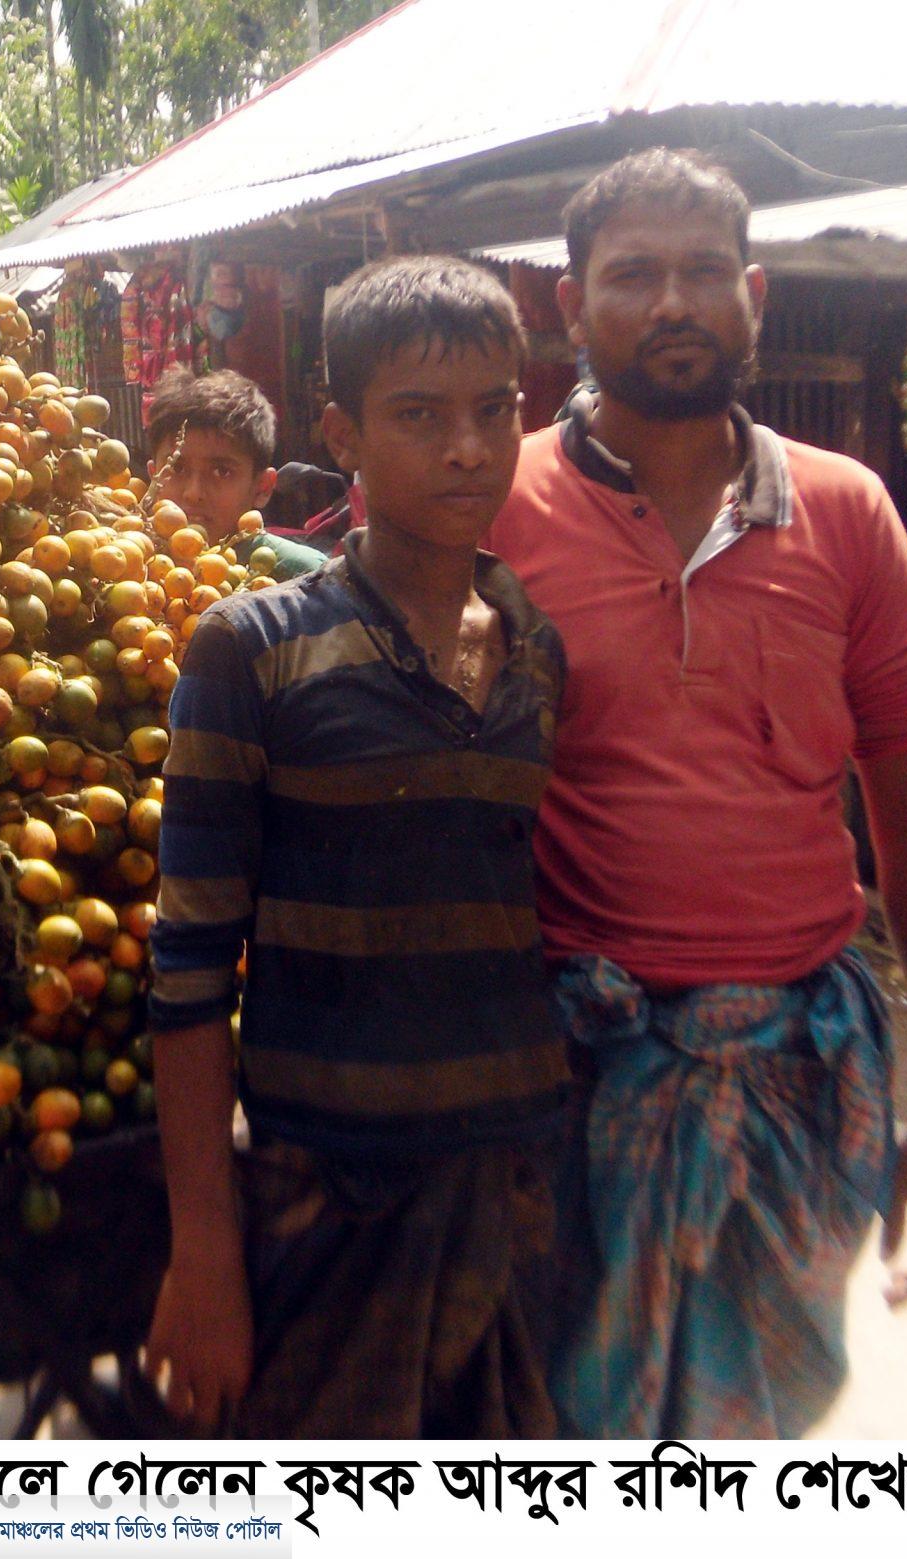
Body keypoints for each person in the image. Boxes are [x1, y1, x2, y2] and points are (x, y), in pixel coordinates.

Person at [482, 149, 907, 1438]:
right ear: (566, 304)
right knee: (541, 1435)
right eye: (633, 274)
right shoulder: (493, 508)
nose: (672, 303)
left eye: (705, 272)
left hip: (795, 1079)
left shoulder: (846, 511)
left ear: (753, 293)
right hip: (565, 1077)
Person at [140, 256, 572, 1436]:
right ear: (344, 434)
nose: (468, 449)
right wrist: (206, 1253)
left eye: (495, 412)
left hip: (512, 1182)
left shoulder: (536, 648)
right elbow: (186, 971)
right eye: (420, 416)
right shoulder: (249, 650)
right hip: (322, 1195)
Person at [142, 367, 330, 580]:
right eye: (176, 468)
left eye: (222, 471)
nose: (193, 493)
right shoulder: (134, 567)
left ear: (263, 487)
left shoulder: (305, 576)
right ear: (153, 478)